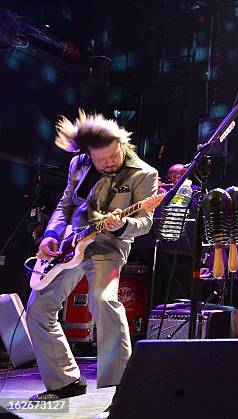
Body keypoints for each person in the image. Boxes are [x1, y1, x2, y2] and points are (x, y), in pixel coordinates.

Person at [26, 110, 158, 408]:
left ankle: (125, 391)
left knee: (103, 299)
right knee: (38, 306)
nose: (110, 162)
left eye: (114, 155)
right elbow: (65, 203)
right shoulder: (78, 164)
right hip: (70, 245)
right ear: (88, 154)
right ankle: (65, 381)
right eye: (103, 160)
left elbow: (146, 222)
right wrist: (51, 235)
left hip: (109, 247)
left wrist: (122, 224)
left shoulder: (144, 173)